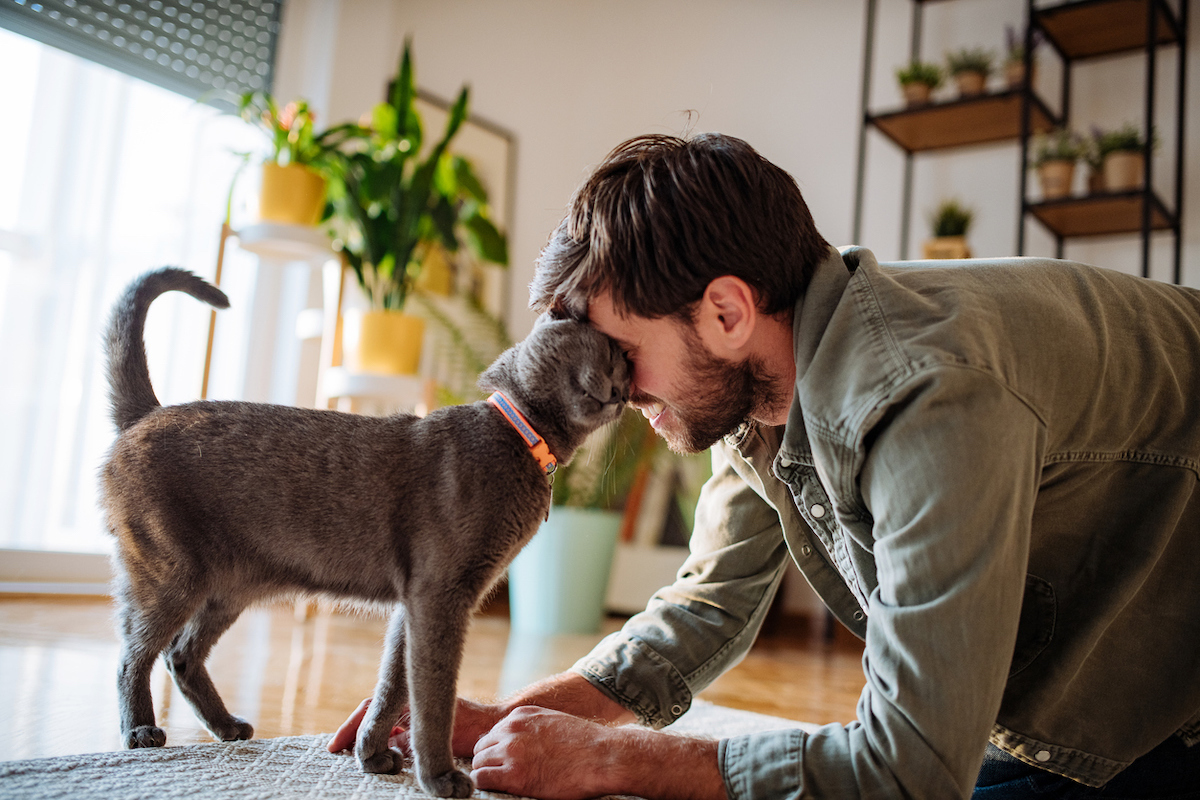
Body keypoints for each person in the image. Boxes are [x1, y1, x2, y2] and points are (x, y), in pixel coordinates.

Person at [329, 133, 1200, 799]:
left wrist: (618, 759)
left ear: (725, 309)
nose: (616, 388)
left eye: (624, 350)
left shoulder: (927, 399)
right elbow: (710, 603)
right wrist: (525, 714)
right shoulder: (769, 382)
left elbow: (910, 770)